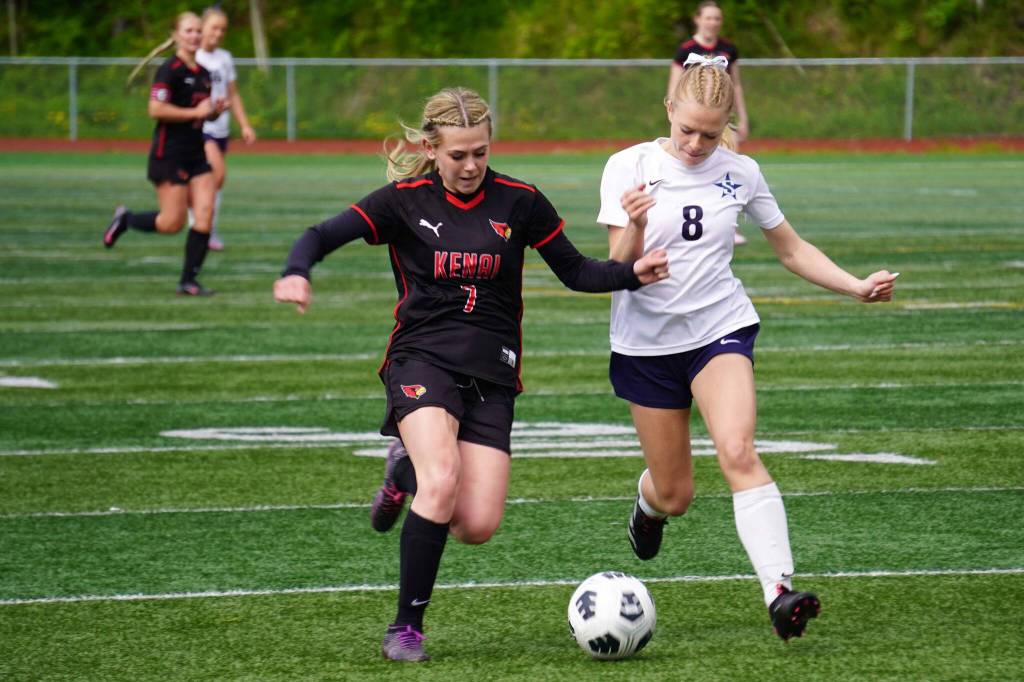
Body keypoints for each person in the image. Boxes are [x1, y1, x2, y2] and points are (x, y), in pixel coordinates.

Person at [273, 87, 669, 662]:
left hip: (493, 375)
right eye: (458, 154)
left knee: (477, 525)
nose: (470, 166)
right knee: (443, 478)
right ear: (430, 148)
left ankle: (402, 472)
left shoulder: (520, 201)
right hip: (421, 360)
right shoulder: (403, 201)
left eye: (480, 152)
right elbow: (320, 234)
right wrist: (295, 271)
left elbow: (578, 272)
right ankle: (406, 628)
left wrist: (633, 272)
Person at [599, 56, 898, 641]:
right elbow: (614, 266)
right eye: (686, 130)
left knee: (737, 449)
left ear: (728, 124)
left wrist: (855, 286)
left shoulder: (741, 172)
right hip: (645, 345)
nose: (695, 144)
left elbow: (789, 249)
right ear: (669, 110)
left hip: (720, 330)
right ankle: (648, 505)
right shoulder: (628, 165)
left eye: (710, 134)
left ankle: (779, 593)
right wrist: (634, 228)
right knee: (676, 493)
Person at [103, 11, 228, 296]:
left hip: (197, 154)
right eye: (189, 31)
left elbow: (201, 116)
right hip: (169, 154)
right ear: (175, 36)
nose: (195, 35)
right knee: (172, 223)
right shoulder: (169, 70)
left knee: (205, 213)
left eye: (198, 31)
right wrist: (195, 111)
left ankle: (188, 280)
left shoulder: (205, 75)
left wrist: (214, 111)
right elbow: (155, 110)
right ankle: (126, 219)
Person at [668, 0, 751, 244]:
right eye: (708, 17)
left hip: (718, 119)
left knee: (727, 168)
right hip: (695, 117)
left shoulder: (728, 48)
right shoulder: (686, 50)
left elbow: (736, 84)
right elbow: (675, 86)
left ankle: (727, 224)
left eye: (717, 18)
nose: (713, 22)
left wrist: (742, 117)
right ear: (698, 19)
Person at [193, 6, 257, 251]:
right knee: (216, 175)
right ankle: (201, 226)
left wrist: (245, 124)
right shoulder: (194, 57)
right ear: (203, 27)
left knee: (211, 182)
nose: (218, 33)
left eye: (223, 29)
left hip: (221, 129)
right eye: (214, 27)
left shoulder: (224, 58)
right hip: (201, 128)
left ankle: (205, 226)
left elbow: (233, 94)